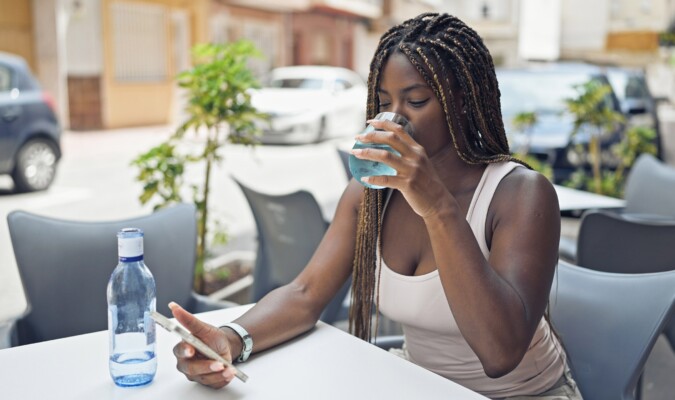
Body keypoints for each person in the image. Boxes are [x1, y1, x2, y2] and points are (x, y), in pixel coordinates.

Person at [170, 12, 582, 399]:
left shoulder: (521, 194)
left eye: (416, 101)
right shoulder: (372, 193)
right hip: (422, 385)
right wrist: (230, 338)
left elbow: (500, 353)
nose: (392, 121)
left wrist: (436, 205)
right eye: (384, 103)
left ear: (460, 100)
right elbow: (305, 292)